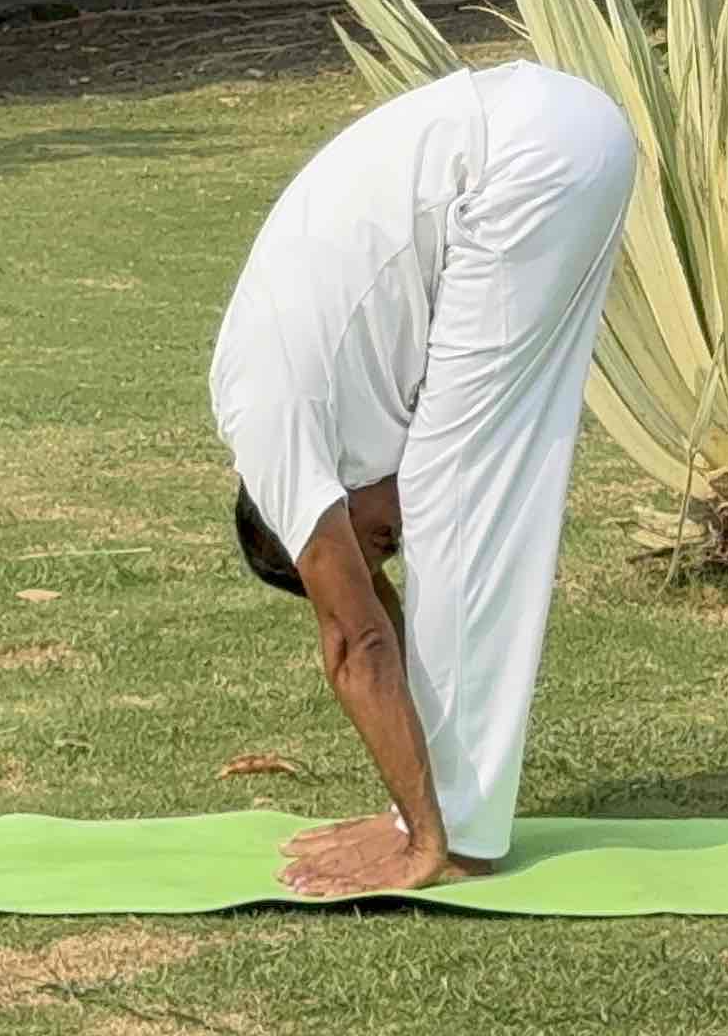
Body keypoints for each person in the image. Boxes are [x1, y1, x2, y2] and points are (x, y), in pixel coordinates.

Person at [208, 58, 640, 897]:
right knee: (456, 494)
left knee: (462, 502)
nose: (392, 536)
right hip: (545, 132)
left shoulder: (273, 430)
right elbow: (385, 620)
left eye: (375, 543)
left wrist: (420, 832)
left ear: (301, 515)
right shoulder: (328, 427)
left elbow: (355, 639)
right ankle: (443, 820)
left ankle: (452, 838)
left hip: (526, 155)